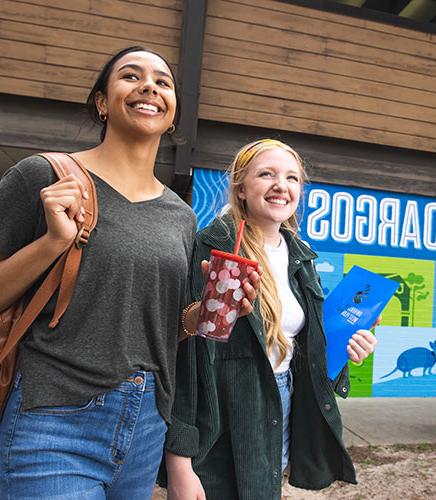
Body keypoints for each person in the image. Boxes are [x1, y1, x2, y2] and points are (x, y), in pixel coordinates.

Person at [0, 46, 258, 500]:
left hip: (144, 427)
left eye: (163, 81)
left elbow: (156, 330)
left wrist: (196, 319)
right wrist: (53, 242)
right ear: (102, 102)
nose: (149, 87)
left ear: (172, 112)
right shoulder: (45, 174)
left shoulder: (181, 216)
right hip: (53, 418)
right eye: (131, 76)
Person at [164, 138, 378, 500]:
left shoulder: (301, 256)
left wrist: (347, 349)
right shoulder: (211, 248)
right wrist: (179, 461)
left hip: (282, 401)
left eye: (292, 178)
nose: (282, 186)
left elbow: (306, 347)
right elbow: (186, 361)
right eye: (267, 174)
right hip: (222, 417)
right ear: (241, 188)